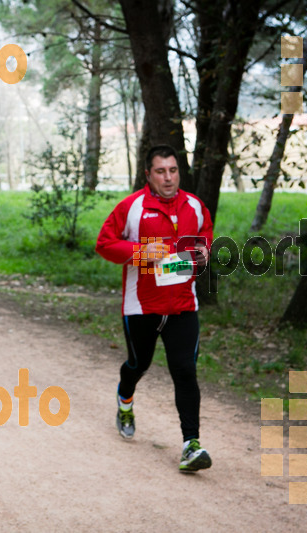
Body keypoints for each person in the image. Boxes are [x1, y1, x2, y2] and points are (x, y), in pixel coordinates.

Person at [95, 145, 214, 473]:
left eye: (173, 170)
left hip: (183, 306)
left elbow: (205, 239)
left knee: (185, 370)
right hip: (141, 307)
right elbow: (104, 244)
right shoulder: (131, 207)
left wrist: (203, 254)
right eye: (161, 171)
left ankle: (191, 444)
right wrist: (139, 251)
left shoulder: (195, 206)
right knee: (138, 365)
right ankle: (125, 401)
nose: (168, 177)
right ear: (148, 174)